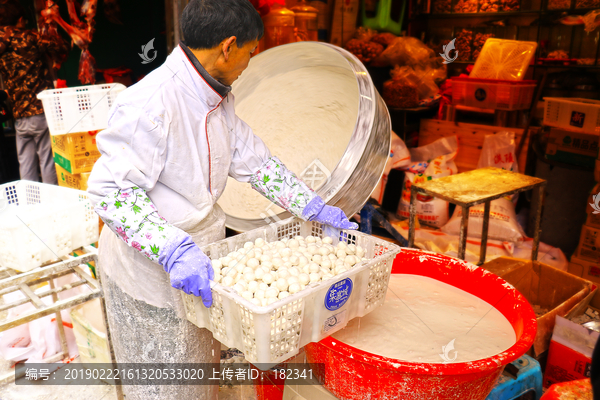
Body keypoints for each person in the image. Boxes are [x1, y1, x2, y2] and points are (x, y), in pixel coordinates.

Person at [86, 0, 357, 399]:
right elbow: (110, 193)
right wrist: (174, 248)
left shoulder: (216, 95)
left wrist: (310, 206)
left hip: (200, 256)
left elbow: (254, 161)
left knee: (199, 374)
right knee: (165, 383)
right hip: (152, 269)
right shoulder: (150, 103)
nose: (252, 60)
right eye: (251, 50)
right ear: (229, 46)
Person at [0, 0, 67, 184]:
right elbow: (62, 47)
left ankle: (30, 203)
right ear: (20, 20)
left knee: (26, 162)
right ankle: (51, 202)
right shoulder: (30, 37)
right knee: (46, 160)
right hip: (39, 110)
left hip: (19, 115)